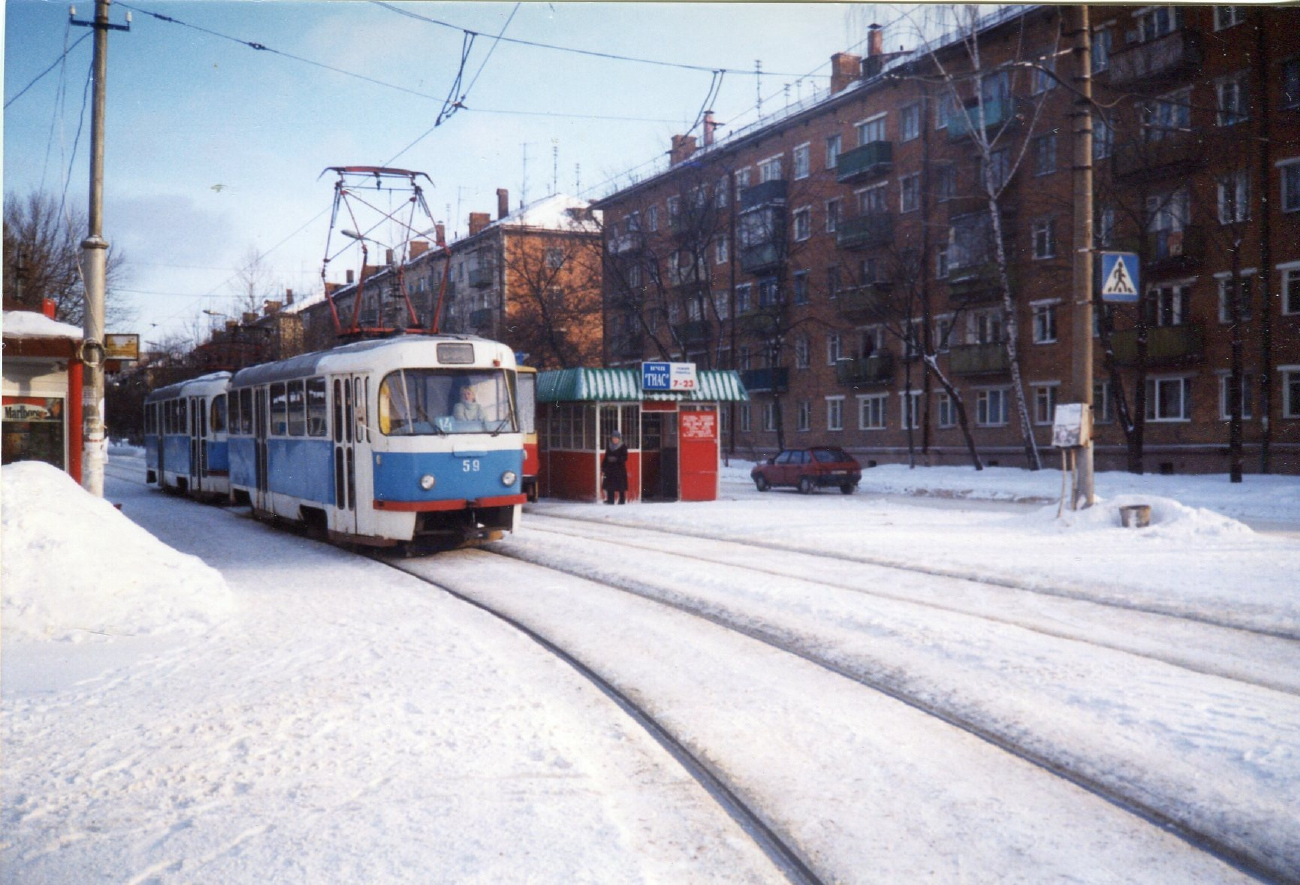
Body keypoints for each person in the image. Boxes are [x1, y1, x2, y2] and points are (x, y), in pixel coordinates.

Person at [601, 430, 628, 505]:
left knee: (621, 485)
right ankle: (610, 500)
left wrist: (616, 459)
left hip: (619, 469)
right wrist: (603, 467)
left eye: (616, 438)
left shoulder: (623, 446)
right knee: (609, 484)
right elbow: (606, 457)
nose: (614, 439)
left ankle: (622, 500)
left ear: (619, 439)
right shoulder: (609, 446)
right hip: (610, 468)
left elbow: (625, 457)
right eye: (613, 438)